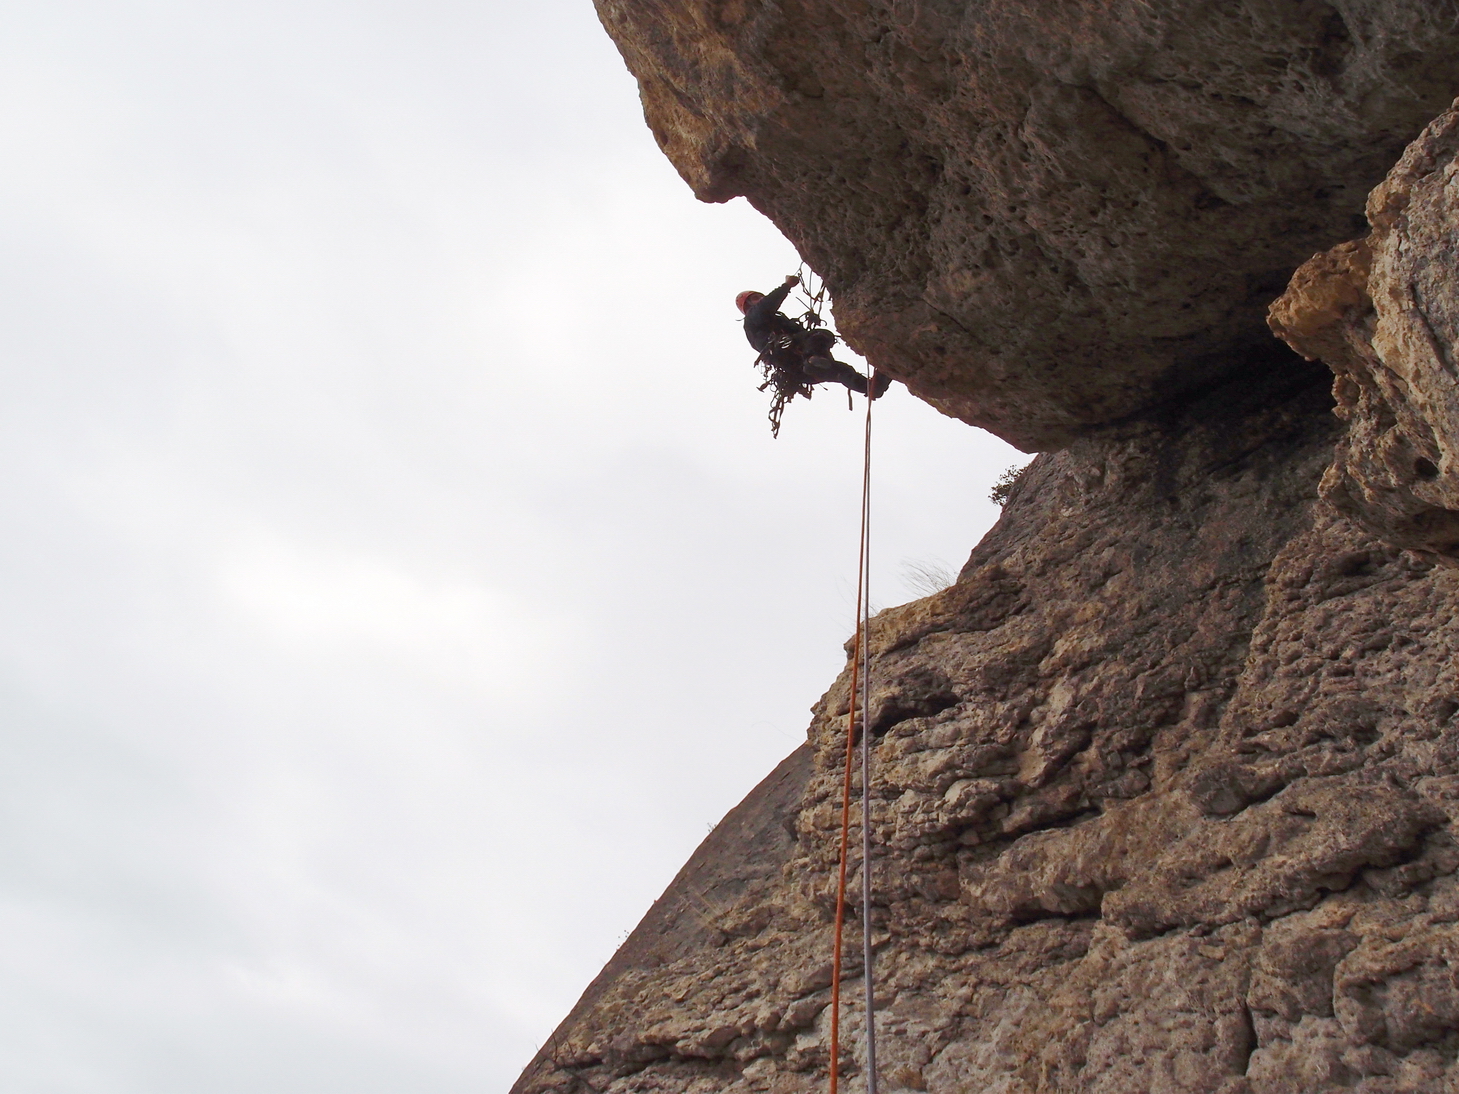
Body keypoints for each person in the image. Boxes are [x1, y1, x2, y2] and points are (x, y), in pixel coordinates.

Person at [736, 275, 891, 402]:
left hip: (803, 370)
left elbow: (797, 332)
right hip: (789, 355)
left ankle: (873, 388)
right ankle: (813, 358)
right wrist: (786, 286)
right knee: (819, 335)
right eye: (756, 298)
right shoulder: (752, 318)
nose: (762, 298)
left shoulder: (777, 319)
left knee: (842, 370)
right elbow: (766, 306)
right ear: (748, 306)